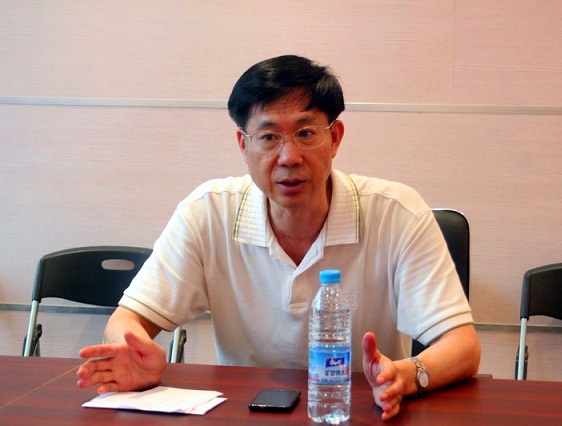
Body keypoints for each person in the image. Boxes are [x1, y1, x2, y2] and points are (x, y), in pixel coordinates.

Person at [76, 55, 481, 421]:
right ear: (243, 144)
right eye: (269, 137)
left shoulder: (396, 212)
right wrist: (130, 351)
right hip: (244, 413)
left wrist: (406, 376)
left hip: (354, 413)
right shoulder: (207, 212)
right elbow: (128, 319)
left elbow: (463, 346)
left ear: (335, 138)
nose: (289, 157)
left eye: (305, 133)